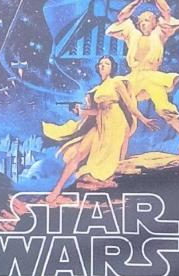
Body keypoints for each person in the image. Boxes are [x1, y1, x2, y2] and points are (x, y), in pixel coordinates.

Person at [42, 55, 157, 200]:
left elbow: (129, 105)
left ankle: (111, 185)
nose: (102, 65)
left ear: (112, 68)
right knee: (79, 153)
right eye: (101, 63)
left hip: (116, 123)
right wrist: (81, 111)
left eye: (107, 63)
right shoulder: (96, 90)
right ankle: (57, 189)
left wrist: (143, 119)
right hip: (100, 123)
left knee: (112, 161)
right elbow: (97, 111)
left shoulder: (116, 82)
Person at [105, 0, 179, 153]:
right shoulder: (132, 33)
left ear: (155, 22)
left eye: (148, 19)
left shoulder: (159, 33)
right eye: (141, 20)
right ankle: (111, 145)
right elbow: (121, 17)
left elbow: (166, 11)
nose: (143, 22)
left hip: (152, 77)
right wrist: (138, 1)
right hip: (134, 77)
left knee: (164, 108)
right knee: (115, 102)